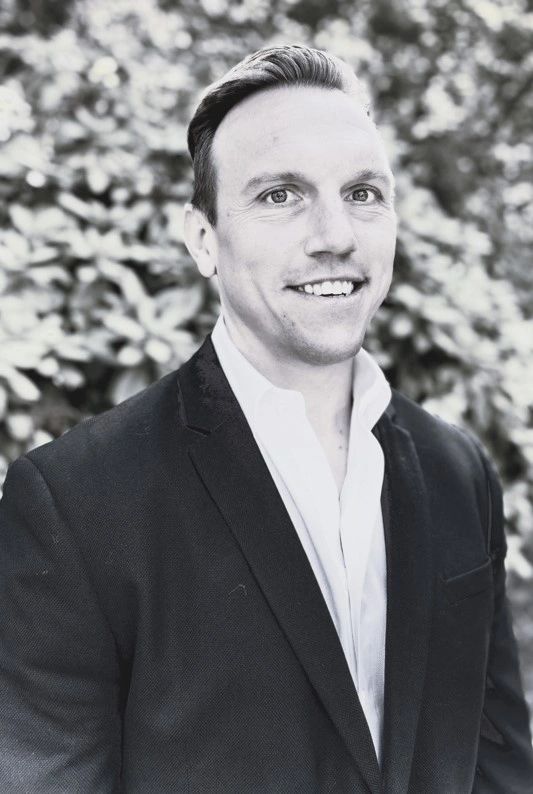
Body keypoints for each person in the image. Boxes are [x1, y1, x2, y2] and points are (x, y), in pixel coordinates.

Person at [0, 44, 532, 794]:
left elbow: (497, 765)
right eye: (281, 195)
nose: (335, 235)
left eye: (362, 193)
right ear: (202, 239)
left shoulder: (458, 471)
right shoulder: (74, 503)